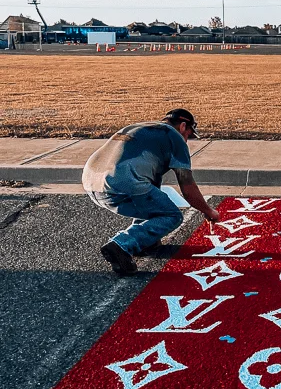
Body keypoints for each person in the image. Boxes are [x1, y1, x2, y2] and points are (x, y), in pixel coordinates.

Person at [83, 108, 220, 275]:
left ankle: (141, 242)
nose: (187, 140)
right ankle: (120, 244)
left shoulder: (142, 128)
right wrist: (208, 210)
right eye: (189, 135)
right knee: (172, 216)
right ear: (183, 126)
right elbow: (187, 185)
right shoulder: (174, 137)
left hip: (91, 182)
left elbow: (150, 194)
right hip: (121, 182)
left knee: (151, 199)